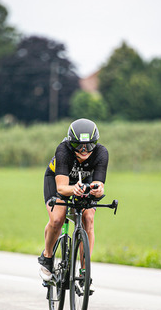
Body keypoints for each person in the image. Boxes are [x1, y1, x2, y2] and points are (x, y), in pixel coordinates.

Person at [39, 118, 109, 291]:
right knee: (57, 219)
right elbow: (62, 188)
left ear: (95, 143)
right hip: (58, 180)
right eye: (79, 145)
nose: (84, 150)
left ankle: (85, 273)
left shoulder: (101, 153)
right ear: (71, 143)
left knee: (88, 218)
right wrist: (73, 189)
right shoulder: (63, 150)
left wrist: (97, 190)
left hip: (84, 181)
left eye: (89, 145)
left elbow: (99, 183)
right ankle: (47, 257)